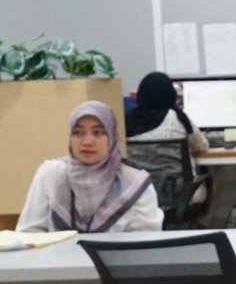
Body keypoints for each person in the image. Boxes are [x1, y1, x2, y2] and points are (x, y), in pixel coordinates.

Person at [16, 100, 162, 233]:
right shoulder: (51, 174)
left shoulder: (133, 183)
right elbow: (28, 234)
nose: (87, 142)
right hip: (57, 255)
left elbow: (147, 243)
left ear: (112, 137)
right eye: (78, 132)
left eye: (97, 133)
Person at [124, 71, 210, 206]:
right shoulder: (178, 117)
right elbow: (201, 146)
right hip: (179, 193)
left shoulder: (126, 120)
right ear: (171, 94)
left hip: (139, 195)